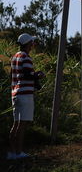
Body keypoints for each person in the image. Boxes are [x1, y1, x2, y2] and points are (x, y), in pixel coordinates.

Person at [7, 33, 45, 161]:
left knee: (16, 124)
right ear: (28, 44)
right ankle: (19, 152)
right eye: (32, 43)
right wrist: (38, 75)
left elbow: (13, 76)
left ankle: (12, 152)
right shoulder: (26, 57)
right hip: (25, 95)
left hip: (15, 94)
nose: (33, 45)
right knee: (22, 125)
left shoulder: (15, 57)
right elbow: (28, 75)